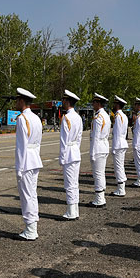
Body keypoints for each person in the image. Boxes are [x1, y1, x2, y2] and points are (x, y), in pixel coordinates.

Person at [13, 87, 43, 240]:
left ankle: (30, 229)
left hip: (26, 161)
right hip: (35, 159)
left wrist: (19, 167)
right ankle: (32, 226)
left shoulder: (22, 119)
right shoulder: (36, 118)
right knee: (32, 194)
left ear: (22, 101)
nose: (16, 103)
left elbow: (21, 145)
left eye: (17, 100)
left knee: (26, 195)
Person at [59, 90, 83, 219]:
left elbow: (63, 140)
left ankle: (71, 211)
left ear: (67, 102)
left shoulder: (66, 118)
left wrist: (62, 157)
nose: (62, 102)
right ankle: (75, 210)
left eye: (64, 100)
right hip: (75, 152)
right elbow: (79, 137)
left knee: (69, 184)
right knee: (74, 183)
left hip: (68, 152)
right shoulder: (78, 117)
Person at [89, 93, 111, 206]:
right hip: (104, 146)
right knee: (101, 173)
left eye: (94, 102)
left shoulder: (98, 117)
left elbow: (96, 137)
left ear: (98, 103)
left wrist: (92, 153)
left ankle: (99, 199)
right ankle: (101, 196)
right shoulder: (106, 116)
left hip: (98, 148)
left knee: (98, 174)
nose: (92, 104)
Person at [110, 95, 129, 196]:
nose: (113, 105)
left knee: (118, 167)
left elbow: (116, 132)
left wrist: (114, 147)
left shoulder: (118, 116)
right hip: (123, 142)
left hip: (118, 144)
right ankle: (121, 187)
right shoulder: (124, 116)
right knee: (120, 166)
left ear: (117, 105)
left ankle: (121, 189)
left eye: (114, 103)